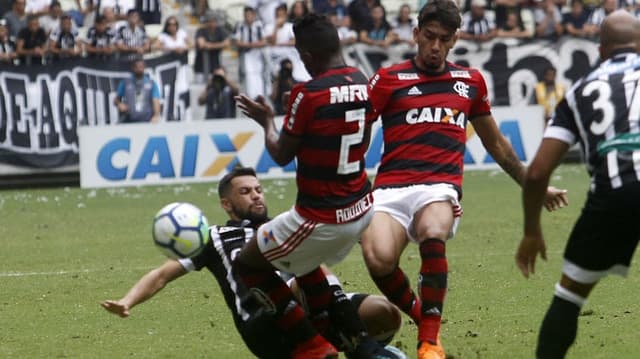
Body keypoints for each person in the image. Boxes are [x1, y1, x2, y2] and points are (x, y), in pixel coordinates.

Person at [361, 1, 569, 359]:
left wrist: (536, 185)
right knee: (378, 260)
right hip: (390, 187)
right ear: (416, 34)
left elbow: (499, 147)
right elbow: (356, 135)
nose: (435, 46)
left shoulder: (468, 82)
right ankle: (423, 318)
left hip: (438, 187)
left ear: (455, 39)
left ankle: (428, 343)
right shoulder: (387, 80)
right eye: (429, 37)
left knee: (433, 229)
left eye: (443, 39)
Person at [233, 13, 401, 359]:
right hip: (360, 208)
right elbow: (362, 139)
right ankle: (356, 344)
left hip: (321, 217)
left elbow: (281, 154)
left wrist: (267, 122)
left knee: (246, 264)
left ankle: (311, 343)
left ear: (307, 56)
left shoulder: (306, 93)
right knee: (305, 264)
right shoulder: (362, 80)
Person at [101, 167, 402, 358]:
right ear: (226, 204)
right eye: (245, 192)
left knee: (385, 314)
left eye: (258, 190)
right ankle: (363, 349)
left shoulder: (282, 226)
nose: (256, 197)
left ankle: (349, 346)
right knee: (308, 270)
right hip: (264, 324)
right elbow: (162, 275)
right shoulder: (214, 237)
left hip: (309, 307)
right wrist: (127, 301)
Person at [516, 10, 640, 359]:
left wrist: (531, 231)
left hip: (612, 195)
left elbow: (538, 173)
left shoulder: (578, 93)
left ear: (600, 50)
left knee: (570, 295)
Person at [233, 6, 268, 100]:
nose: (248, 18)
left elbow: (264, 41)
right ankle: (251, 97)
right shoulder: (240, 25)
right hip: (246, 55)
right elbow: (237, 42)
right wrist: (250, 45)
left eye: (250, 15)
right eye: (246, 15)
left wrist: (250, 45)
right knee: (249, 75)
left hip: (257, 55)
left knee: (259, 75)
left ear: (254, 15)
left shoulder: (259, 25)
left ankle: (260, 97)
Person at [114, 57, 161, 123]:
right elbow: (116, 100)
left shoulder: (151, 84)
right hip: (129, 120)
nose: (139, 69)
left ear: (144, 67)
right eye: (137, 67)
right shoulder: (125, 83)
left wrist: (156, 115)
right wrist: (119, 104)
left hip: (146, 120)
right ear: (132, 68)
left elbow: (156, 100)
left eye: (141, 67)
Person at [194, 12, 229, 83]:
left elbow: (226, 43)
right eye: (209, 21)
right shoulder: (201, 30)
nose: (211, 24)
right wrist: (218, 45)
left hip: (216, 66)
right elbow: (201, 44)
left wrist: (210, 45)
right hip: (201, 67)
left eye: (213, 21)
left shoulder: (220, 30)